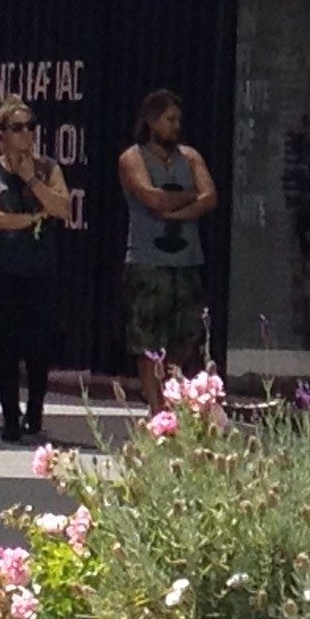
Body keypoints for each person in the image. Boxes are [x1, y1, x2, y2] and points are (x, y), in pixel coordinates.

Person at [0, 96, 71, 443]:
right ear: (1, 134)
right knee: (7, 343)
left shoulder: (48, 168)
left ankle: (35, 406)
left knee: (39, 343)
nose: (26, 134)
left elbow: (62, 208)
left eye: (30, 127)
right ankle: (9, 415)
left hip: (40, 267)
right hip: (4, 268)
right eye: (17, 128)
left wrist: (33, 182)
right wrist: (31, 218)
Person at [118, 90, 218, 409]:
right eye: (168, 120)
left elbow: (209, 197)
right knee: (147, 336)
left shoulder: (190, 157)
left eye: (178, 120)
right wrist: (189, 197)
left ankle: (174, 396)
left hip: (186, 260)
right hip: (148, 260)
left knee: (185, 336)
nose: (175, 126)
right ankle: (155, 405)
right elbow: (151, 198)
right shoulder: (133, 157)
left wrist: (177, 209)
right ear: (151, 121)